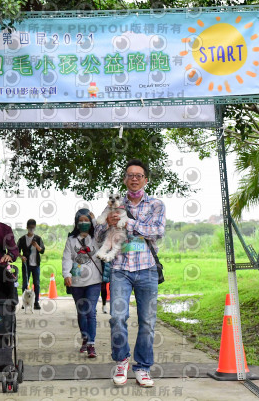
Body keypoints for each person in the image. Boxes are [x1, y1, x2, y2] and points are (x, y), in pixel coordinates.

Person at [95, 159, 166, 387]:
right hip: (120, 269)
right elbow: (96, 233)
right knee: (117, 317)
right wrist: (107, 222)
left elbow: (157, 232)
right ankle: (122, 360)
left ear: (145, 179)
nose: (134, 178)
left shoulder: (156, 204)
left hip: (147, 270)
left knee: (147, 321)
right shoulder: (115, 203)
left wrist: (129, 225)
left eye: (139, 175)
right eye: (130, 175)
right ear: (125, 179)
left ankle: (143, 367)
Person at [62, 208, 103, 359]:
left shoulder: (97, 238)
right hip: (77, 281)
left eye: (87, 220)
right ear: (76, 222)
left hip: (94, 281)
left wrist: (94, 221)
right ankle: (85, 338)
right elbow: (66, 258)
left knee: (91, 312)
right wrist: (66, 274)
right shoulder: (71, 240)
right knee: (82, 312)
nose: (84, 223)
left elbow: (103, 229)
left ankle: (91, 344)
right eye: (81, 221)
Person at [17, 219, 45, 310]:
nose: (31, 229)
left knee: (36, 283)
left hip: (36, 264)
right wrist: (21, 257)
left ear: (35, 227)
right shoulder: (22, 239)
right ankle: (24, 302)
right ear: (27, 227)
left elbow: (42, 251)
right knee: (25, 284)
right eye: (30, 227)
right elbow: (16, 251)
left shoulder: (38, 238)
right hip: (26, 265)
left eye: (33, 227)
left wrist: (36, 246)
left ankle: (36, 302)